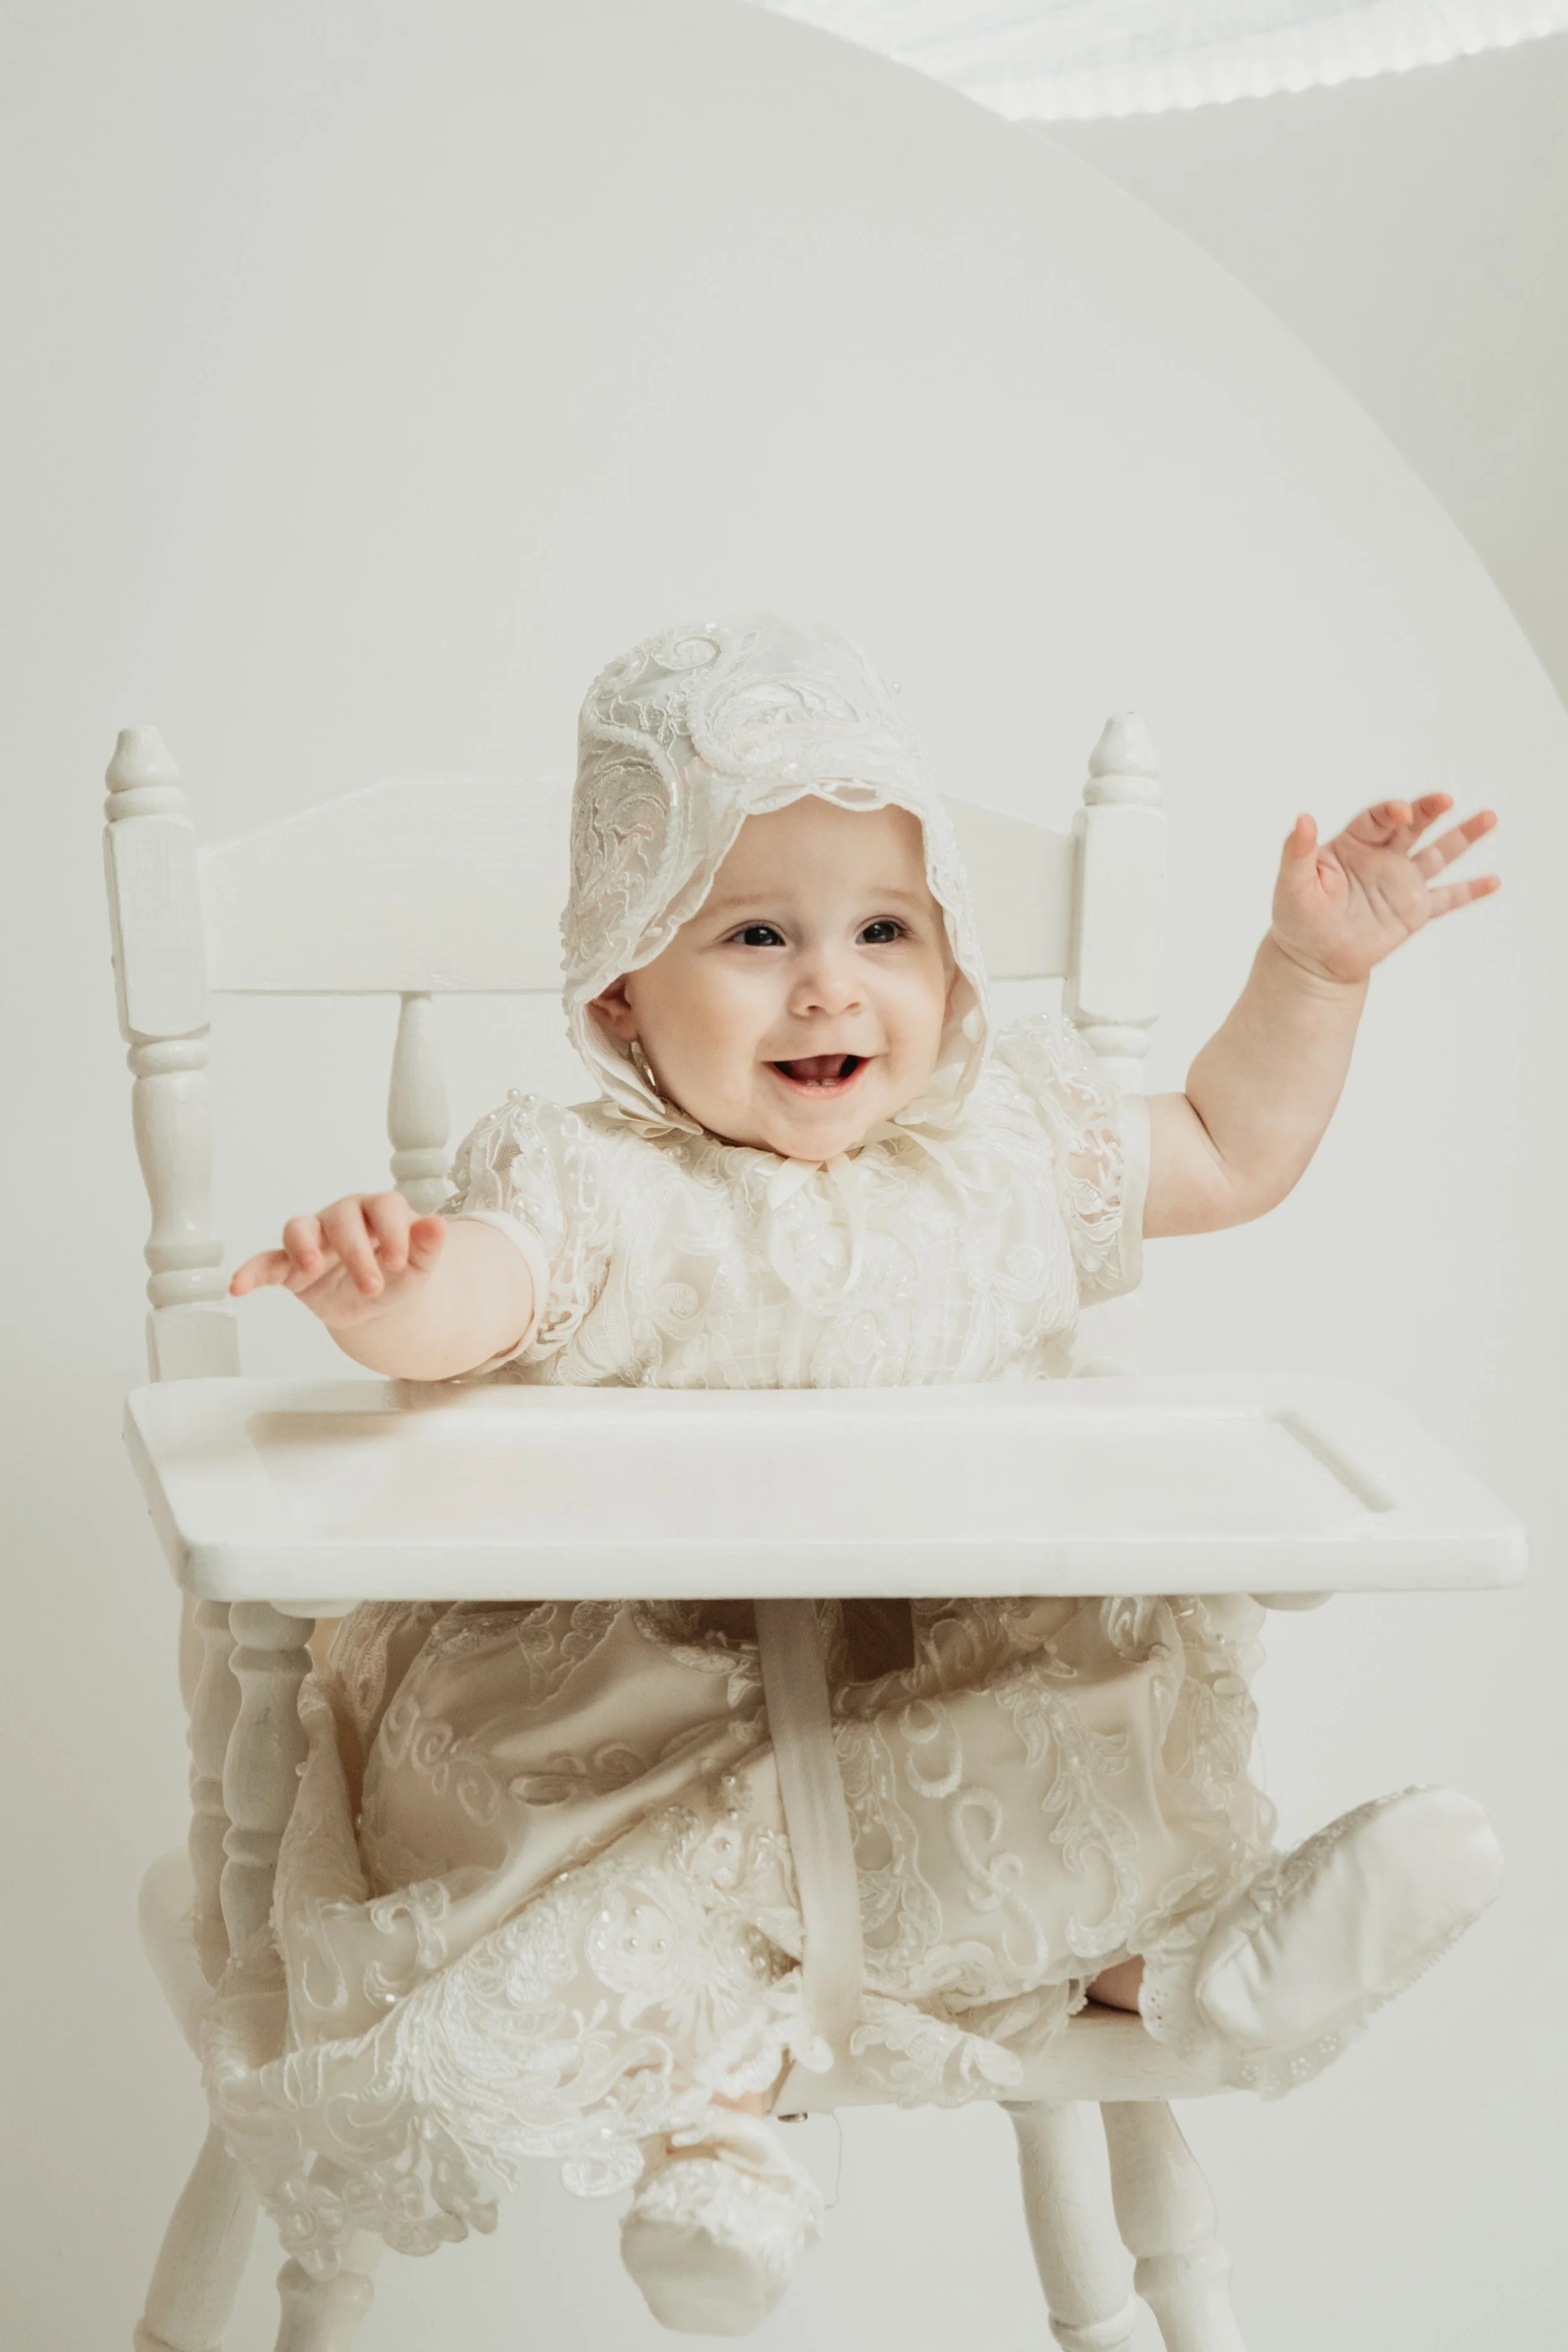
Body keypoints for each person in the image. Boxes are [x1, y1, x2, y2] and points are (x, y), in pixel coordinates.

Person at [214, 614, 1504, 2336]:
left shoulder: (1004, 1156)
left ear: (952, 961)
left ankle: (1182, 1962)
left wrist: (1311, 973)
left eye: (884, 928)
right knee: (645, 1884)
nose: (830, 982)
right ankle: (716, 2137)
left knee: (1058, 1775)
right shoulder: (588, 1182)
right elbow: (474, 1299)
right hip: (638, 1703)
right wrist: (386, 1283)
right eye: (754, 932)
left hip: (940, 1671)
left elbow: (1222, 1146)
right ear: (618, 985)